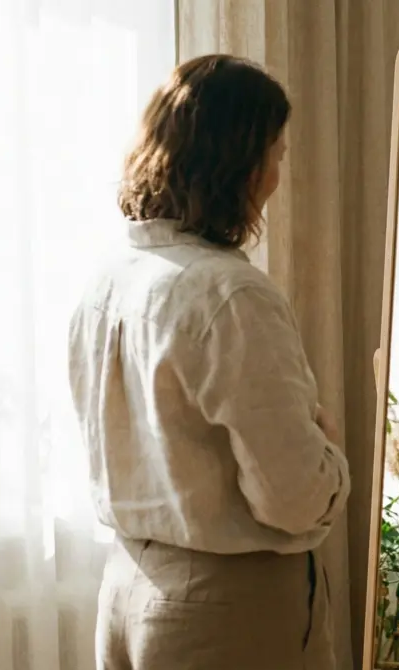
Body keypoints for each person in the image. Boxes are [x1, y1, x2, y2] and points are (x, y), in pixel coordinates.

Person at [68, 54, 348, 670]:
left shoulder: (108, 278)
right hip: (225, 604)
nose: (278, 172)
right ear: (240, 165)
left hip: (126, 587)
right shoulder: (231, 294)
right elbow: (292, 498)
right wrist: (329, 450)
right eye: (275, 153)